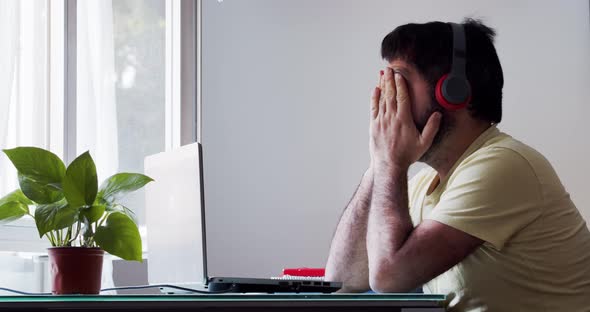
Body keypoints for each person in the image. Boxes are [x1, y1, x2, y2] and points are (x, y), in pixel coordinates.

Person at [324, 19, 590, 311]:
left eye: (398, 81)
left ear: (453, 91)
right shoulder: (422, 186)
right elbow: (342, 279)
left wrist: (390, 163)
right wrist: (379, 164)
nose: (387, 99)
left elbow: (389, 277)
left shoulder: (505, 164)